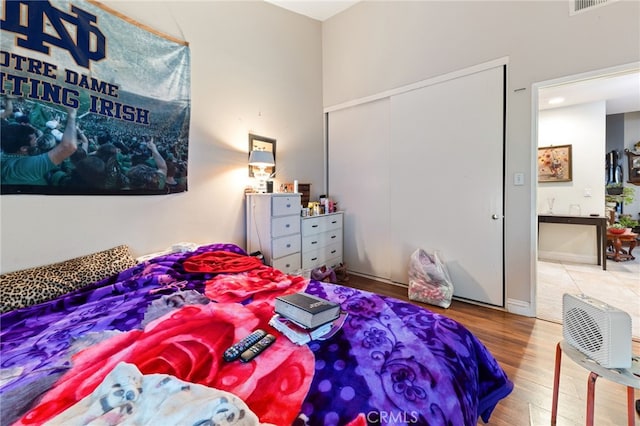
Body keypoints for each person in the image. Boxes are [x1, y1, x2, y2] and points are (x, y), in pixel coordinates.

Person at [1, 107, 77, 185]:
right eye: (34, 140)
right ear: (23, 148)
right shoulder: (23, 167)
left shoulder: (5, 153)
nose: (37, 141)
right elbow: (69, 147)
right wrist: (71, 115)